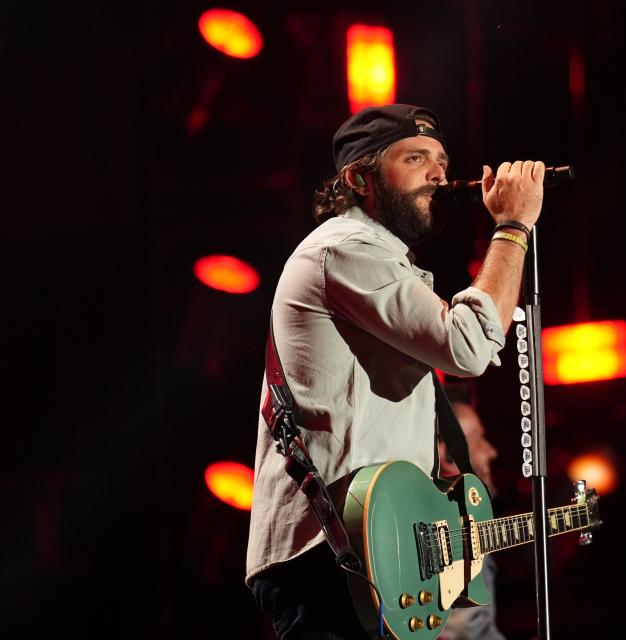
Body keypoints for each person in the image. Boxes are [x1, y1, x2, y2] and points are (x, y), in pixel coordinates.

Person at [245, 103, 545, 639]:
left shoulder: (382, 262)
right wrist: (514, 226)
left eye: (442, 159)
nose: (438, 173)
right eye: (415, 158)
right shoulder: (344, 249)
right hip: (333, 554)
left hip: (380, 546)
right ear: (359, 178)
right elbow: (470, 346)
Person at [436, 381, 506, 640]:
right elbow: (467, 633)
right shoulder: (454, 533)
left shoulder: (472, 523)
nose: (492, 451)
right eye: (480, 440)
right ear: (448, 457)